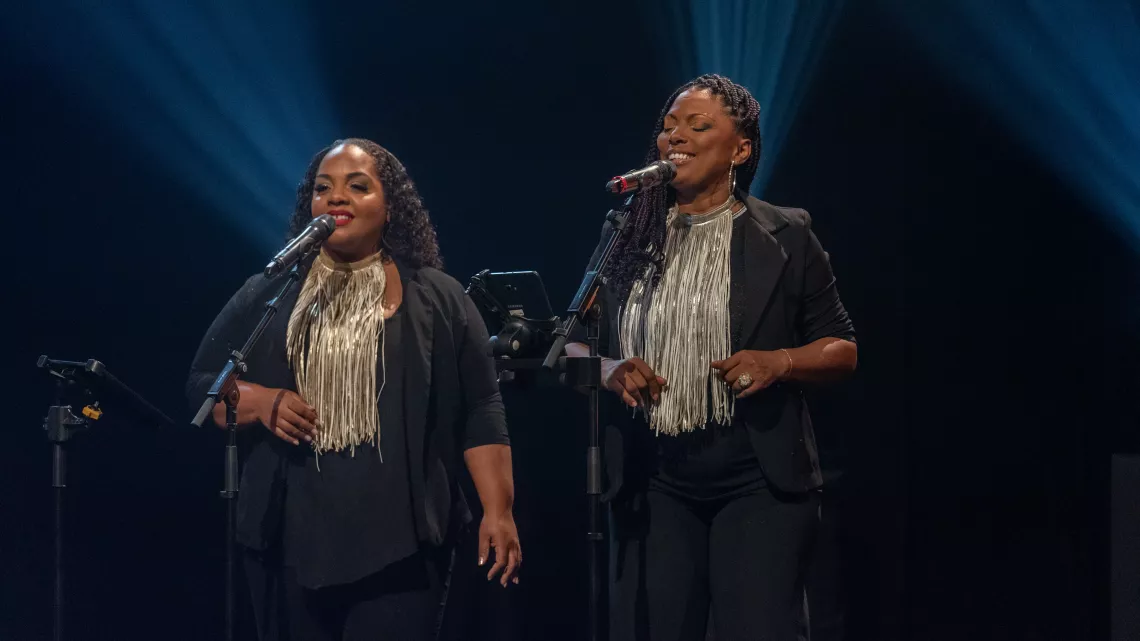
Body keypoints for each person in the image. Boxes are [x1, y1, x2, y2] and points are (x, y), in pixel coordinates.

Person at [186, 138, 520, 641]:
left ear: (391, 208)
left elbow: (482, 406)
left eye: (357, 186)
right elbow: (203, 384)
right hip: (286, 537)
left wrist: (499, 510)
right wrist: (259, 401)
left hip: (402, 543)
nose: (336, 197)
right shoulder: (272, 291)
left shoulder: (438, 295)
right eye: (323, 189)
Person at [565, 74, 857, 640]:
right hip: (653, 480)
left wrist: (780, 362)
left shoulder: (786, 234)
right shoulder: (627, 233)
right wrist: (608, 369)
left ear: (740, 150)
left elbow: (842, 347)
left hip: (758, 480)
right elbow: (571, 341)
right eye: (669, 126)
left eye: (698, 126)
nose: (675, 137)